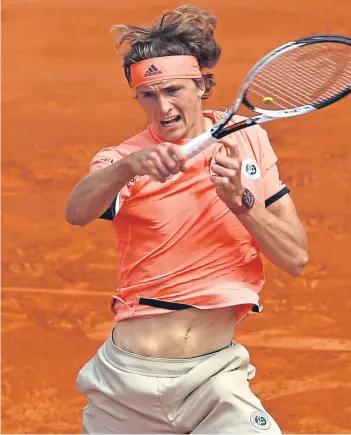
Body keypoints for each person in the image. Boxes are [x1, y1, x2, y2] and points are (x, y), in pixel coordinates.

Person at [65, 4, 308, 434]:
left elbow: (294, 257)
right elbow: (77, 211)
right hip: (126, 385)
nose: (163, 107)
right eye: (149, 95)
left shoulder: (249, 140)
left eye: (174, 90)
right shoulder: (122, 159)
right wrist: (128, 168)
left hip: (215, 382)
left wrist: (242, 205)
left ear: (203, 86)